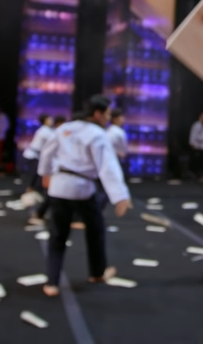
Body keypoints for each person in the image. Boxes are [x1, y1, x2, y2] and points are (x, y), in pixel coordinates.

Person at [37, 95, 132, 297]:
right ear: (97, 113)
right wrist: (120, 197)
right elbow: (108, 167)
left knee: (57, 236)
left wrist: (45, 174)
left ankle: (51, 283)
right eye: (106, 114)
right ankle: (97, 273)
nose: (108, 118)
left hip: (59, 186)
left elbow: (46, 153)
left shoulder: (64, 129)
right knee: (95, 230)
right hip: (81, 188)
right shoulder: (97, 134)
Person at [188, 112, 203, 180]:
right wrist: (192, 143)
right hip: (197, 144)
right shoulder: (196, 125)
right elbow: (192, 134)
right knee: (197, 160)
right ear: (200, 117)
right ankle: (196, 174)